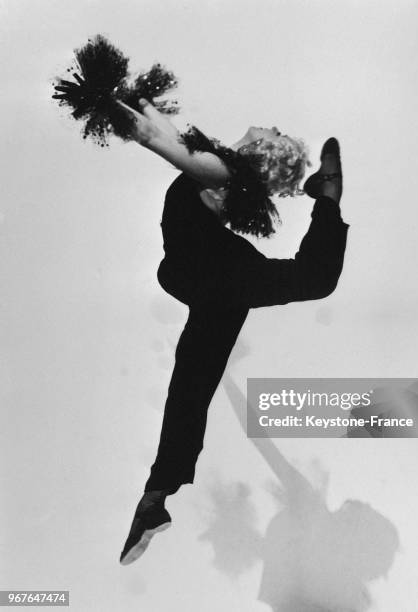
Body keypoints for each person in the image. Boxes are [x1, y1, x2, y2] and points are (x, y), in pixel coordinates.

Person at [117, 99, 350, 564]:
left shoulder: (221, 171)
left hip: (217, 275)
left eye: (275, 131)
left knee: (191, 383)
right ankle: (155, 498)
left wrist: (114, 106)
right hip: (208, 274)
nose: (272, 123)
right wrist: (135, 99)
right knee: (190, 385)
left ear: (261, 152)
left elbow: (154, 139)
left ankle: (154, 499)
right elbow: (167, 134)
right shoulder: (216, 163)